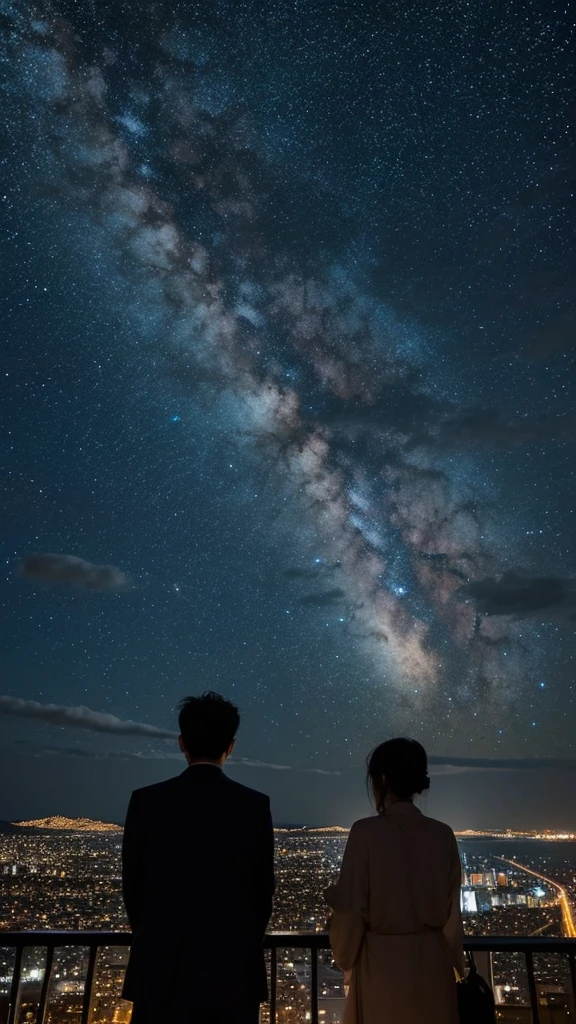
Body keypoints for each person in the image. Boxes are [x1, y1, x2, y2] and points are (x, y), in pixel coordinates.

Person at [121, 691, 275, 1024]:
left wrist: (154, 937)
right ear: (230, 746)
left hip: (159, 972)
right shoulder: (253, 806)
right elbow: (262, 893)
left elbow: (133, 888)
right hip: (232, 974)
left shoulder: (146, 802)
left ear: (181, 742)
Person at [325, 737, 465, 1024]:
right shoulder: (442, 834)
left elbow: (351, 910)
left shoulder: (365, 834)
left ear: (383, 780)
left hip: (381, 966)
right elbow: (452, 914)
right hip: (433, 966)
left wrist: (345, 959)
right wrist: (456, 966)